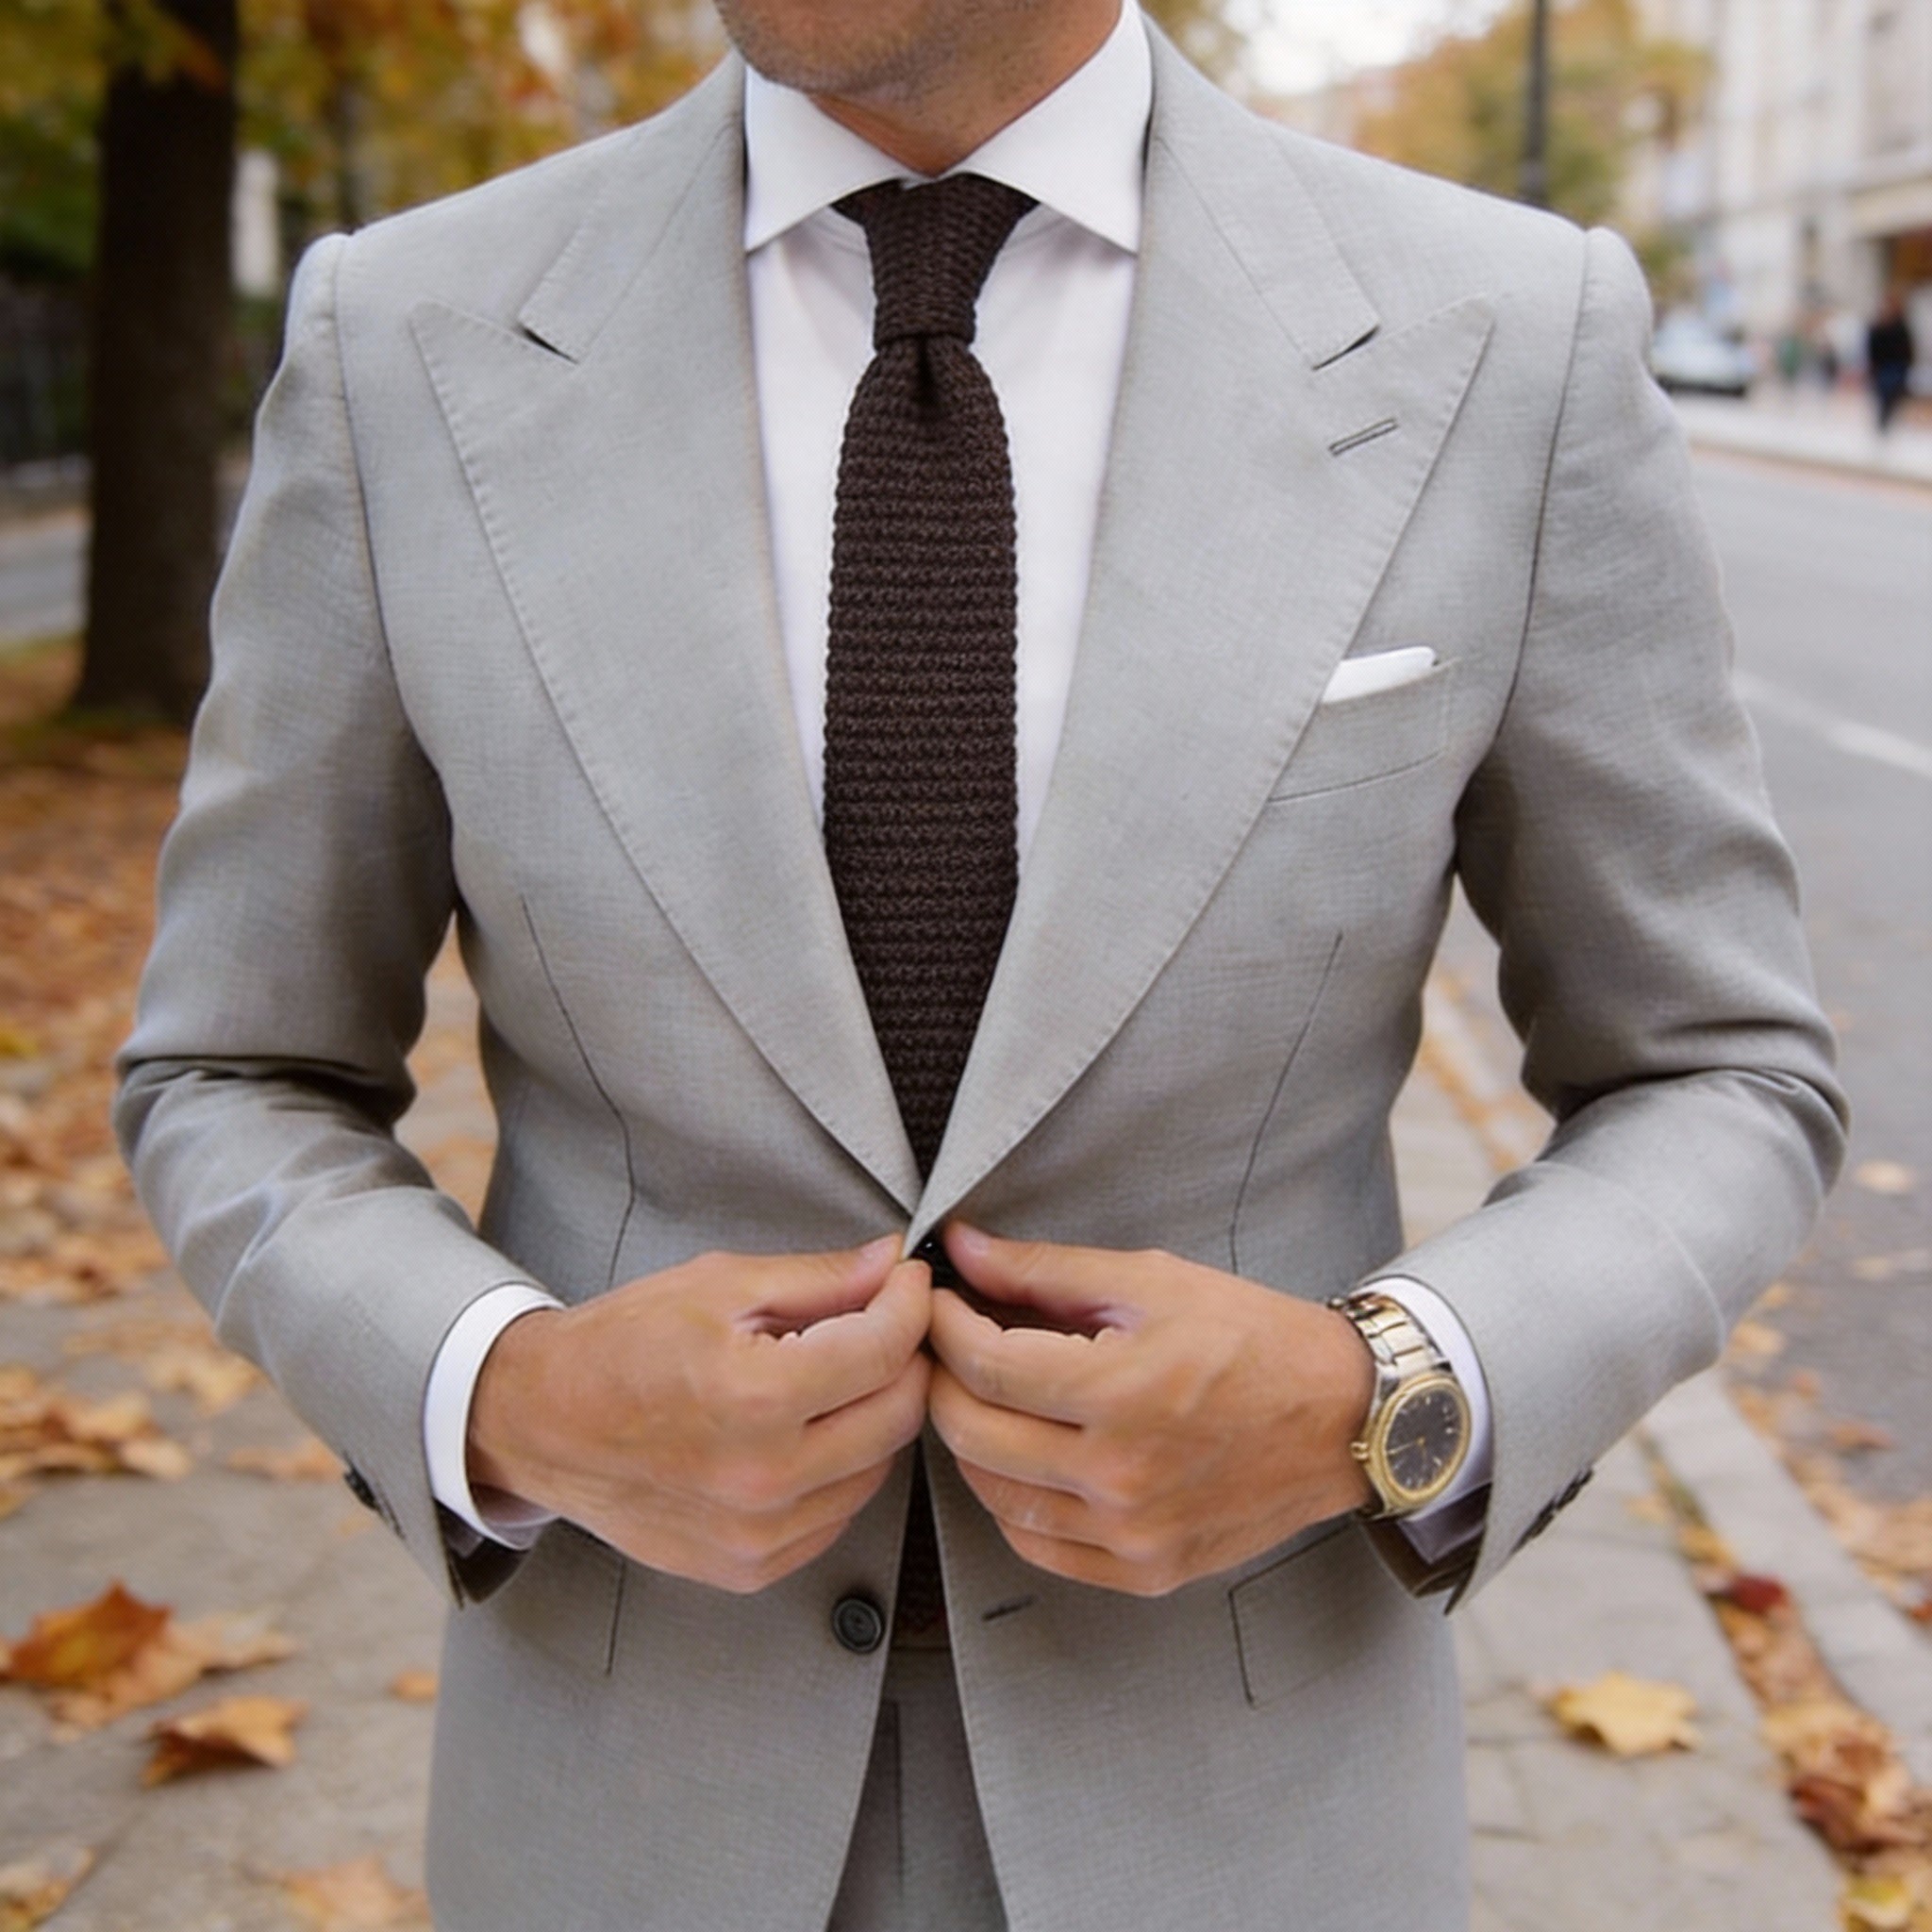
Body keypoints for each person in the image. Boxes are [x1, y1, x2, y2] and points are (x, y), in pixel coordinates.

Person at [115, 3, 1845, 1927]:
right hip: (627, 1810)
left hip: (1249, 1807)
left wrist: (1386, 1395)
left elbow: (1718, 1067)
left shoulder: (1509, 337)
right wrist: (501, 1392)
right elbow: (233, 1065)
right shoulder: (403, 341)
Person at [1868, 290, 1917, 432]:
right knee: (1884, 396)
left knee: (1891, 397)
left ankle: (1885, 424)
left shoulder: (1900, 325)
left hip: (1896, 367)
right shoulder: (1880, 325)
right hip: (1884, 367)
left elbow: (1907, 348)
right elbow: (1874, 347)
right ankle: (1883, 424)